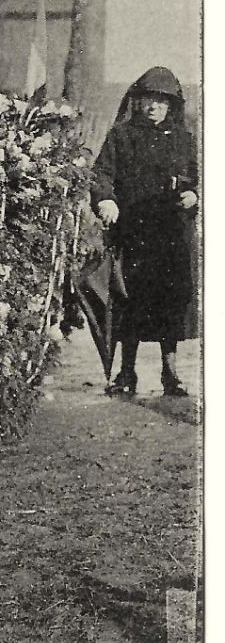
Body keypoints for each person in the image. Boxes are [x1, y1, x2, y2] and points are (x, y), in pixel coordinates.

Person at [92, 66, 198, 397]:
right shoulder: (121, 137)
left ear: (171, 106)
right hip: (132, 234)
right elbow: (102, 175)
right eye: (148, 100)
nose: (153, 107)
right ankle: (127, 372)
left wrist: (195, 194)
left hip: (171, 236)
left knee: (170, 301)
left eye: (161, 101)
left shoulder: (184, 140)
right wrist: (106, 200)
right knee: (130, 301)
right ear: (137, 102)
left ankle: (171, 373)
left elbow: (202, 177)